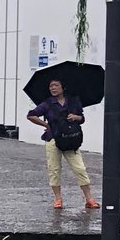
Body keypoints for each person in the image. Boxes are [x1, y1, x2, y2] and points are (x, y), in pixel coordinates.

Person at [26, 76, 101, 211]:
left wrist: (76, 117)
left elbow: (82, 118)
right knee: (54, 169)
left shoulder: (73, 101)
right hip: (53, 139)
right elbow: (31, 115)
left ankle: (89, 198)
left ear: (63, 87)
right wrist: (46, 125)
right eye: (51, 86)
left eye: (56, 85)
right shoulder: (47, 104)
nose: (53, 88)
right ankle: (58, 199)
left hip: (71, 139)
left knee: (80, 168)